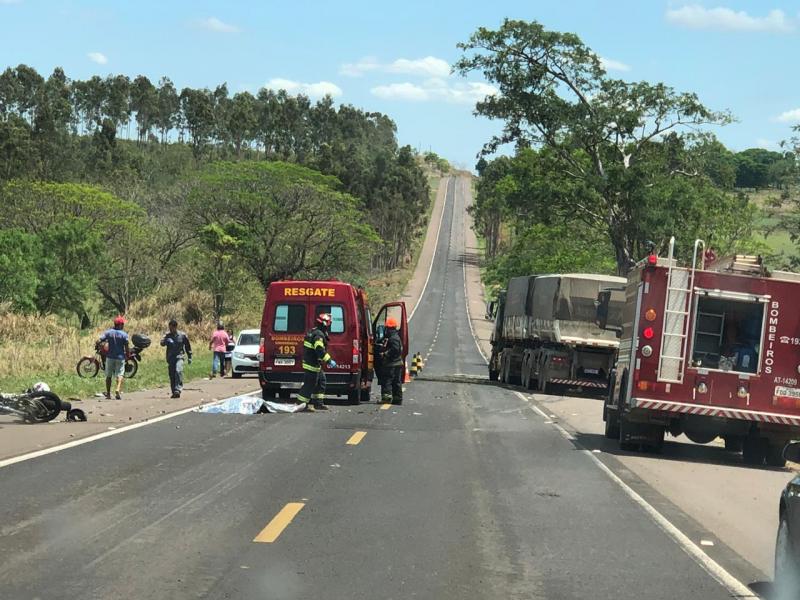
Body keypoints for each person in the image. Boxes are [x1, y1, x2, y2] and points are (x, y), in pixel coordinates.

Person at [297, 313, 335, 412]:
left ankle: (318, 403)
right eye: (329, 324)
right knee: (310, 384)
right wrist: (329, 360)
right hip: (312, 364)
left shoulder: (314, 331)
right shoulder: (318, 335)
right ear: (325, 324)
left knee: (321, 381)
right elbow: (319, 349)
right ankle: (301, 404)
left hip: (314, 363)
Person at [98, 316, 129, 400]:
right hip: (120, 357)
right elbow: (126, 346)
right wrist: (127, 355)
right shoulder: (124, 334)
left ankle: (108, 394)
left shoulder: (108, 333)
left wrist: (101, 347)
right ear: (120, 325)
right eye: (122, 324)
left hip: (110, 357)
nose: (123, 325)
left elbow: (100, 340)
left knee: (108, 375)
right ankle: (117, 389)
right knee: (120, 374)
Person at [160, 319, 192, 398]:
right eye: (169, 328)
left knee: (178, 371)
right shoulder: (167, 335)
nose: (170, 330)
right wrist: (166, 341)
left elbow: (187, 345)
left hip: (179, 356)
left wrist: (189, 356)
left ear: (175, 327)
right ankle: (174, 391)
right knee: (172, 375)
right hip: (170, 358)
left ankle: (178, 389)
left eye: (172, 328)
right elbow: (161, 343)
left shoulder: (182, 335)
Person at [378, 316, 404, 405]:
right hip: (397, 363)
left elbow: (395, 349)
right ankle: (397, 399)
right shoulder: (396, 337)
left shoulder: (393, 338)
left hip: (392, 364)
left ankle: (386, 399)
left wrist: (385, 354)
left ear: (389, 328)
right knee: (397, 382)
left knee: (387, 381)